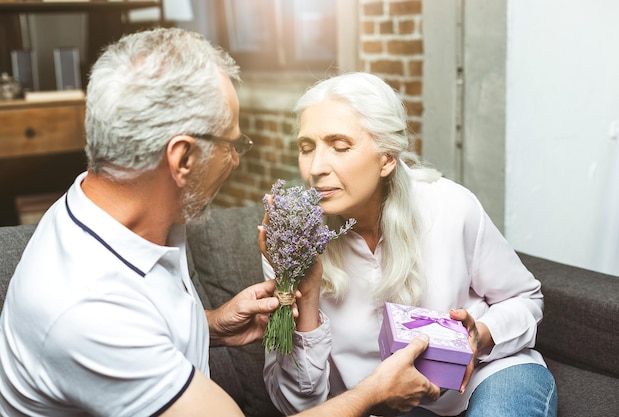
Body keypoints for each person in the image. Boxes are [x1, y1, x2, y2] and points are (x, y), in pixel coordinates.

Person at [0, 29, 440, 417]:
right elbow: (114, 329)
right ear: (183, 159)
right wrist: (373, 395)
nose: (234, 160)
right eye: (233, 143)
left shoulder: (128, 210)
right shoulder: (86, 311)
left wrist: (210, 325)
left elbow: (142, 320)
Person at [261, 72, 558, 417]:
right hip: (387, 406)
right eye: (306, 148)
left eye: (340, 146)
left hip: (488, 377)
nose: (315, 168)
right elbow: (299, 406)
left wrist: (482, 336)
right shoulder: (290, 244)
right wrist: (306, 298)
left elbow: (525, 298)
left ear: (387, 157)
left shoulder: (450, 206)